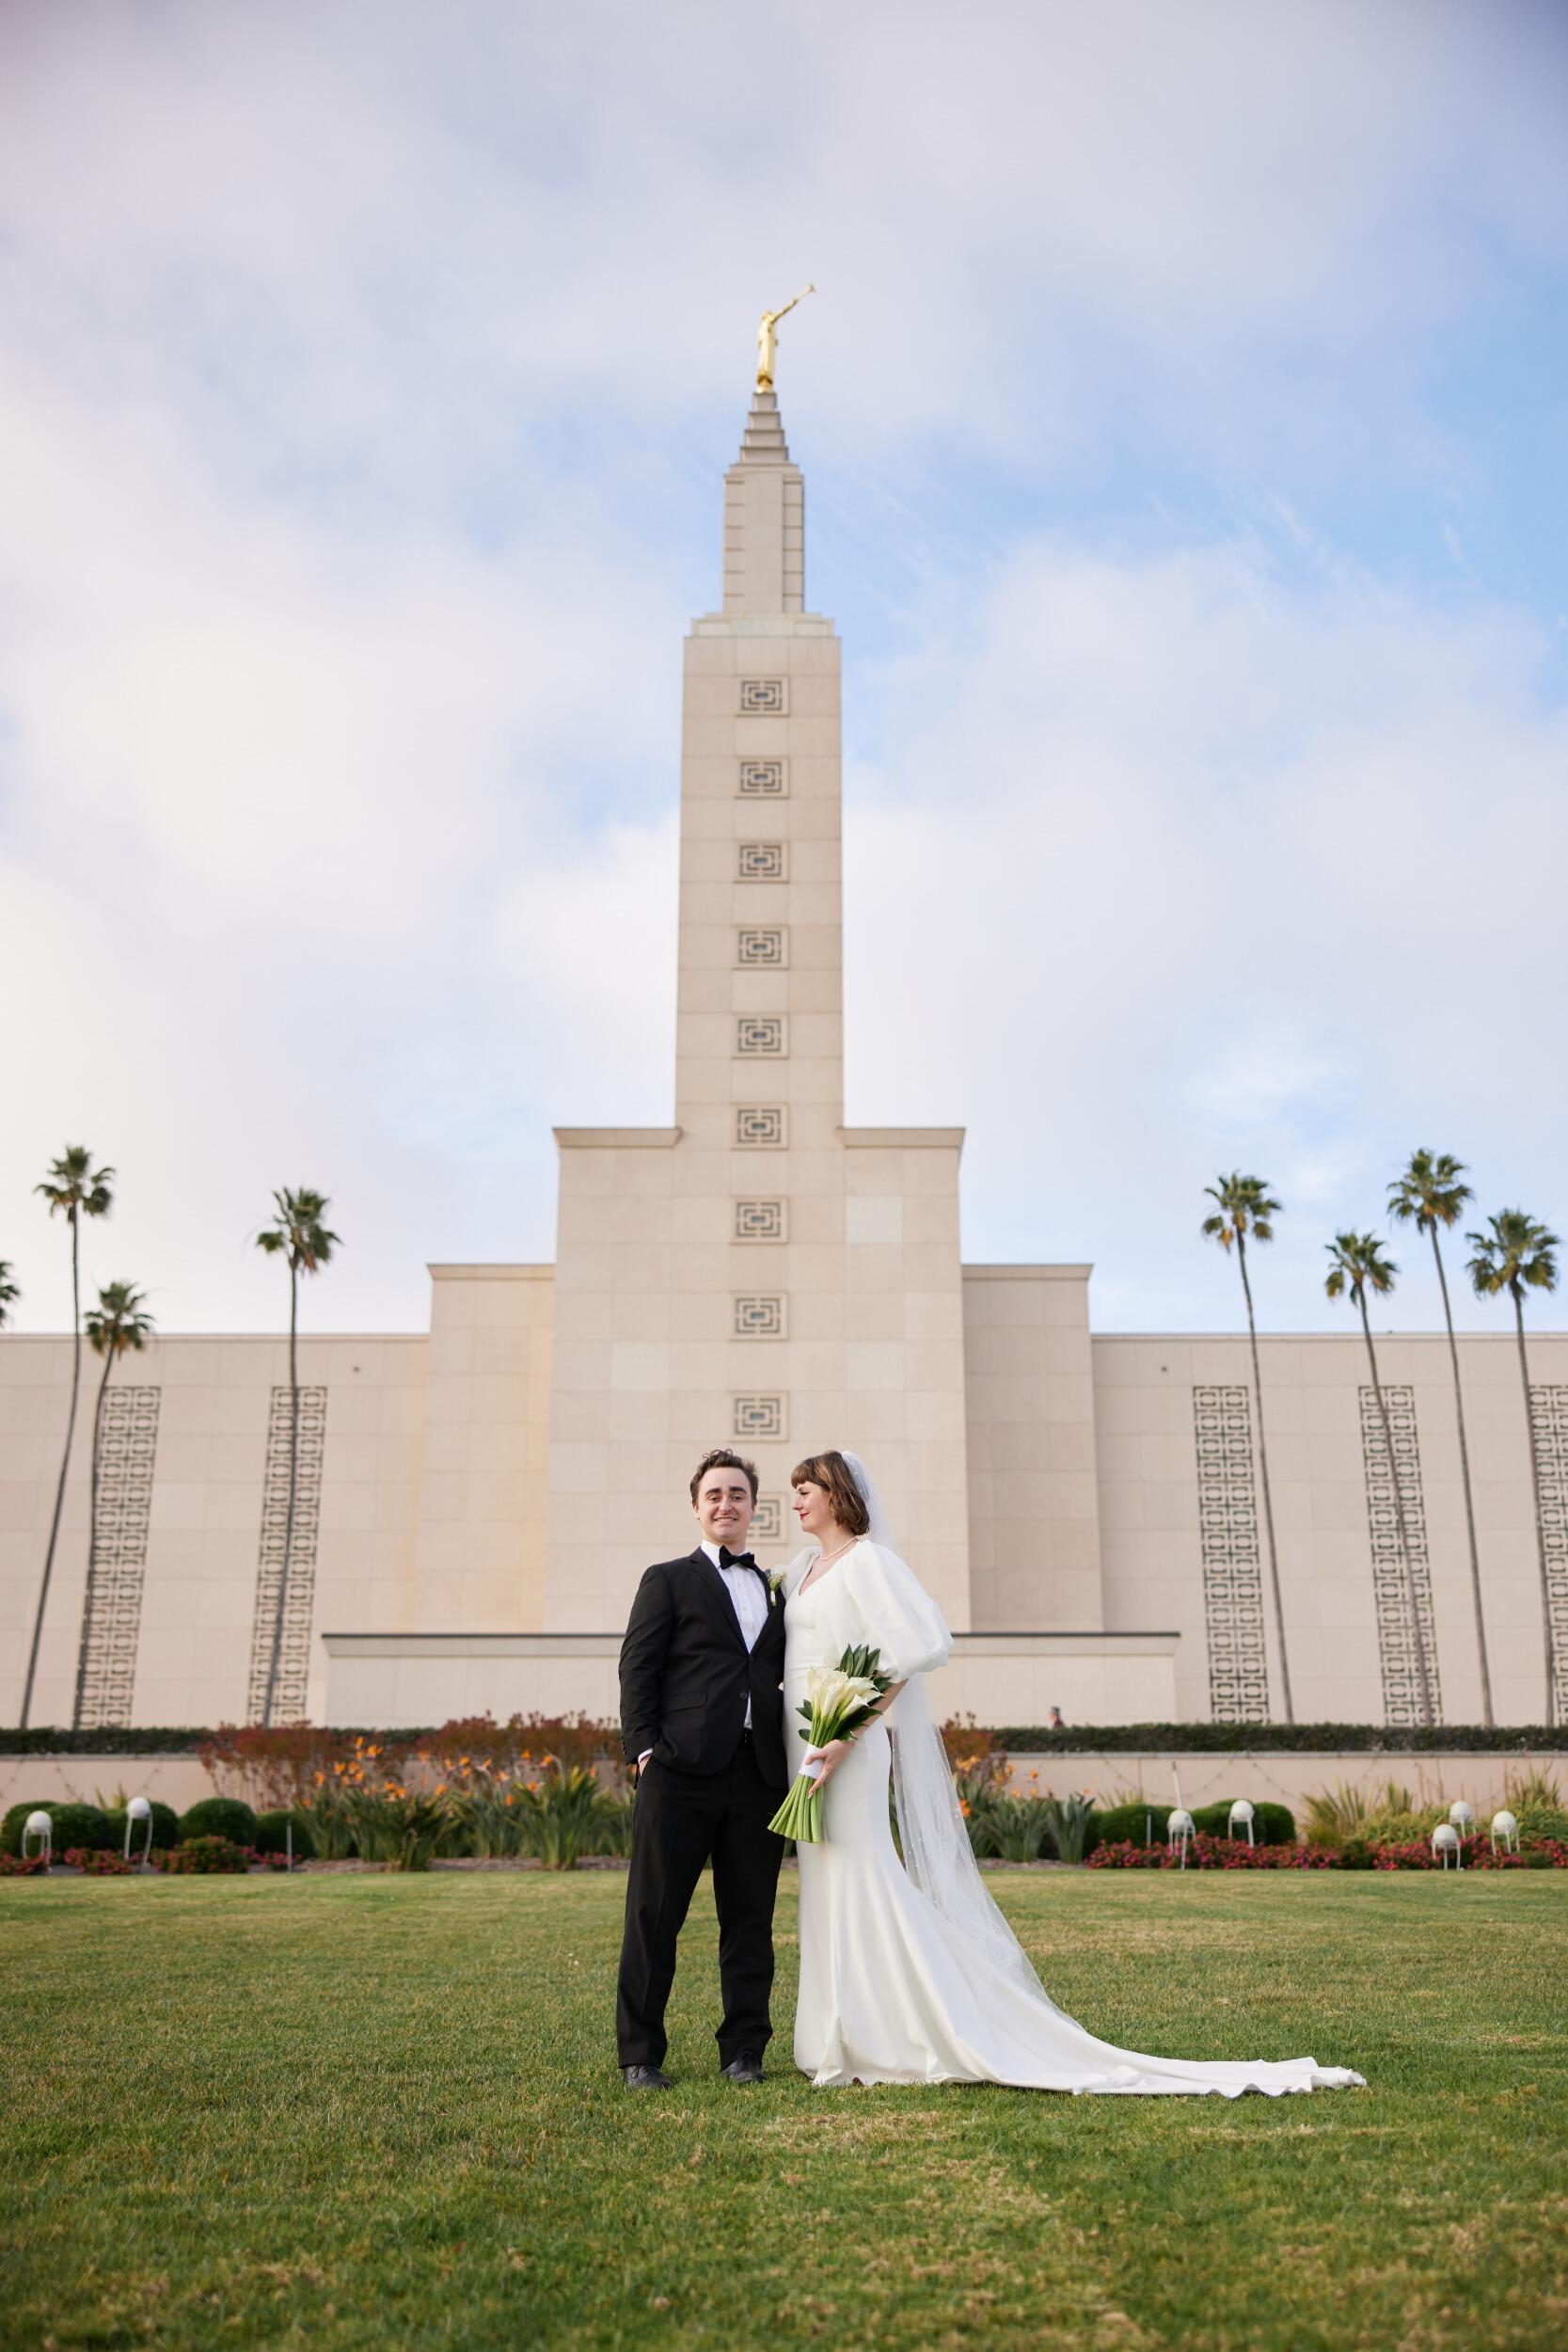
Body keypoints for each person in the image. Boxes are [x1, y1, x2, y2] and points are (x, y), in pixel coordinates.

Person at [784, 1448, 1366, 2097]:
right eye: (795, 1490)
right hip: (799, 1742)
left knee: (865, 1876)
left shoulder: (868, 1561)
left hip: (842, 1748)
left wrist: (845, 1735)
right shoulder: (804, 1568)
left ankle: (895, 2030)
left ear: (838, 1494)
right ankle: (831, 2029)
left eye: (808, 1487)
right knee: (824, 1880)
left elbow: (909, 1652)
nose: (797, 1499)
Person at [615, 1448, 788, 2090]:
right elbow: (638, 1668)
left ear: (752, 1508)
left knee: (750, 1922)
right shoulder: (666, 1578)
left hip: (760, 1775)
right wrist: (643, 1749)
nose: (726, 1504)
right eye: (714, 1494)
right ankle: (640, 2055)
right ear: (696, 1506)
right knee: (654, 1916)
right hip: (679, 1773)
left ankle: (743, 2051)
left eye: (737, 1494)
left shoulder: (776, 1587)